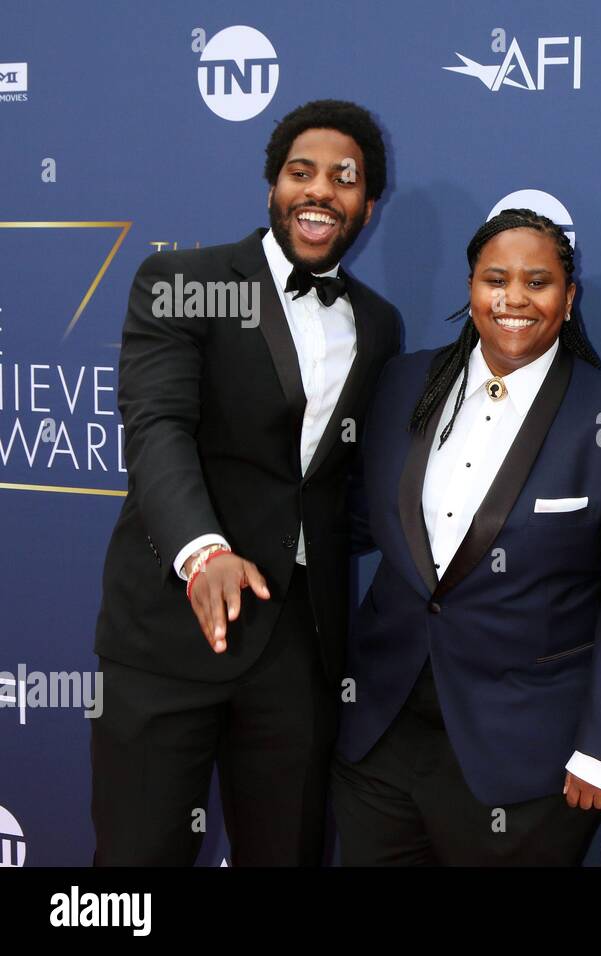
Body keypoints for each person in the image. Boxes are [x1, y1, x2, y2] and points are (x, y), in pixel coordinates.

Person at [92, 100, 402, 865]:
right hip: (172, 628)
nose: (321, 191)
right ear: (272, 186)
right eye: (302, 172)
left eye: (345, 178)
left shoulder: (379, 323)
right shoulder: (185, 280)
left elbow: (352, 479)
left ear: (368, 204)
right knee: (136, 861)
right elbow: (157, 426)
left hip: (300, 647)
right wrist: (203, 553)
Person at [331, 209, 601, 865]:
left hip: (526, 760)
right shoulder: (404, 383)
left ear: (569, 299)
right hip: (380, 737)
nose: (514, 298)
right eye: (496, 278)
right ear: (470, 289)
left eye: (538, 281)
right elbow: (351, 521)